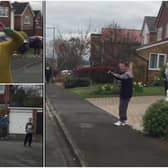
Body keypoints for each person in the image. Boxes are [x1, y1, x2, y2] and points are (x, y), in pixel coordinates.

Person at [107, 62, 133, 126]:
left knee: (122, 107)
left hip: (126, 93)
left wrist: (111, 73)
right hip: (125, 92)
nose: (120, 67)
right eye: (120, 66)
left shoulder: (127, 74)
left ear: (126, 67)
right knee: (123, 107)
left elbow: (120, 77)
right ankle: (124, 121)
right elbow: (119, 75)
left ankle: (121, 121)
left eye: (122, 66)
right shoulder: (127, 72)